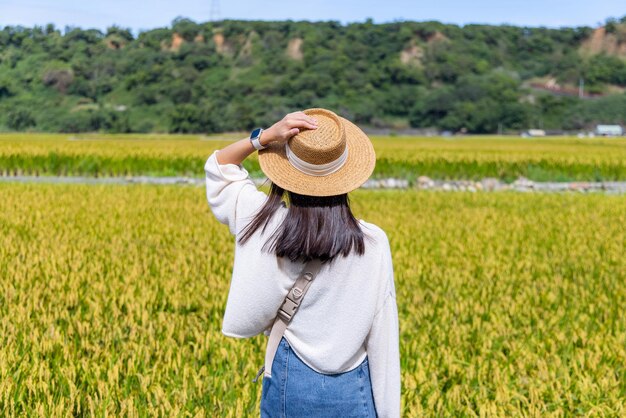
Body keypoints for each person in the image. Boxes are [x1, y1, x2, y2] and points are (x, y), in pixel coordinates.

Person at [204, 108, 400, 417]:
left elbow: (220, 167)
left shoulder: (262, 222)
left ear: (286, 172)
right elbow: (383, 333)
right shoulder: (372, 242)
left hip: (290, 383)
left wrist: (265, 137)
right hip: (353, 388)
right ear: (346, 176)